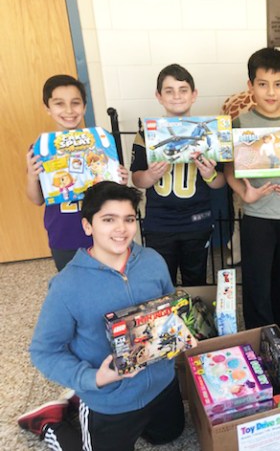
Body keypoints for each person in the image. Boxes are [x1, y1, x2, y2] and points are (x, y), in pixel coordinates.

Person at [19, 181, 184, 451]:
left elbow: (168, 310)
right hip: (110, 398)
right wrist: (93, 379)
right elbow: (44, 351)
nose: (121, 229)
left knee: (169, 435)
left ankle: (75, 395)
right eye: (109, 219)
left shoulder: (153, 260)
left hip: (162, 384)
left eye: (128, 219)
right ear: (87, 226)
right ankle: (50, 422)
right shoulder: (66, 285)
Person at [223, 47, 280, 342]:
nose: (271, 92)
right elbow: (228, 169)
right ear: (251, 86)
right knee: (257, 278)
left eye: (278, 84)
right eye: (262, 84)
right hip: (257, 215)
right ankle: (260, 330)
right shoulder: (240, 125)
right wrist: (244, 194)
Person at [131, 63, 225, 286]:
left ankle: (196, 321)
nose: (176, 96)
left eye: (183, 90)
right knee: (162, 281)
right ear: (159, 96)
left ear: (194, 95)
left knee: (196, 280)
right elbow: (136, 179)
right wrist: (151, 176)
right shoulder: (147, 134)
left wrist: (210, 174)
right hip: (159, 222)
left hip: (197, 221)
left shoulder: (209, 132)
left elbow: (220, 182)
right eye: (169, 91)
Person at [25, 75, 129, 271]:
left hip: (104, 231)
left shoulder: (101, 143)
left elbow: (114, 192)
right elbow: (36, 199)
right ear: (47, 108)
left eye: (75, 103)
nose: (69, 110)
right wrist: (32, 176)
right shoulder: (41, 148)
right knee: (74, 285)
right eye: (59, 104)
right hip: (64, 234)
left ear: (85, 106)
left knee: (111, 282)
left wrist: (120, 181)